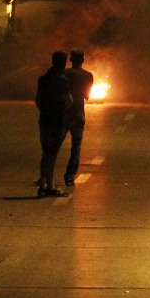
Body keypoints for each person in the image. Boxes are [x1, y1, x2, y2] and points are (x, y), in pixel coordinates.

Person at [35, 51, 72, 197]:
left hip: (44, 120)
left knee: (45, 152)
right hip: (57, 121)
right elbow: (69, 102)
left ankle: (43, 185)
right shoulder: (63, 80)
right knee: (52, 153)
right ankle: (49, 186)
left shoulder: (42, 79)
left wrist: (45, 110)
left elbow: (37, 100)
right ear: (63, 63)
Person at [63, 48, 95, 186]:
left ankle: (45, 177)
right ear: (83, 60)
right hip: (79, 114)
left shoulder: (64, 74)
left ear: (70, 60)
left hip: (64, 114)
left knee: (54, 145)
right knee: (76, 147)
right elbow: (87, 96)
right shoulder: (88, 75)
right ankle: (70, 177)